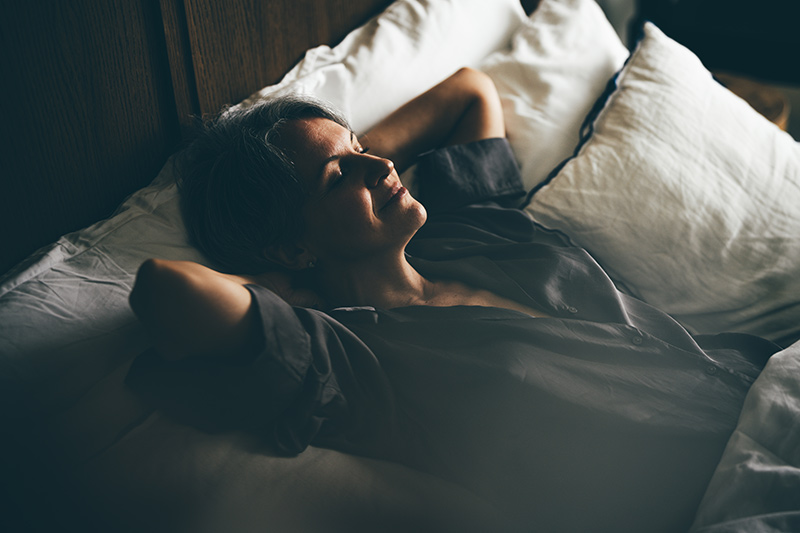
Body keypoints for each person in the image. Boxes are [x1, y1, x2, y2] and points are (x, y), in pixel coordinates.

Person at [128, 68, 780, 532]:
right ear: (292, 249)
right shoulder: (356, 356)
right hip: (721, 484)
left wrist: (344, 164)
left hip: (761, 383)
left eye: (365, 150)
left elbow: (470, 91)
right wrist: (281, 281)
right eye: (340, 175)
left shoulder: (464, 229)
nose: (382, 167)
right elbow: (168, 288)